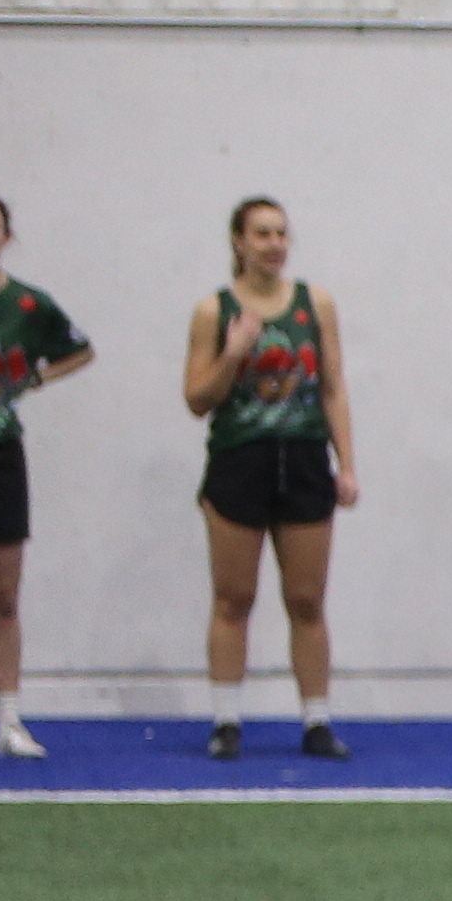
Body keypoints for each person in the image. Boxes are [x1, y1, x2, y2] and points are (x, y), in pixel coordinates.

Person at [179, 195, 351, 762]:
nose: (274, 244)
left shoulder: (315, 303)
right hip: (239, 462)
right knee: (234, 597)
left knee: (307, 599)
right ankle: (227, 721)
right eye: (262, 234)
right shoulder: (214, 311)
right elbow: (196, 399)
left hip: (303, 460)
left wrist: (347, 464)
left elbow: (333, 389)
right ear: (239, 242)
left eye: (281, 233)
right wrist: (233, 355)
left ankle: (317, 722)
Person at [0, 195, 95, 761]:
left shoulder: (28, 304)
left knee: (4, 595)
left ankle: (9, 720)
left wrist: (36, 379)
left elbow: (80, 350)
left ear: (6, 237)